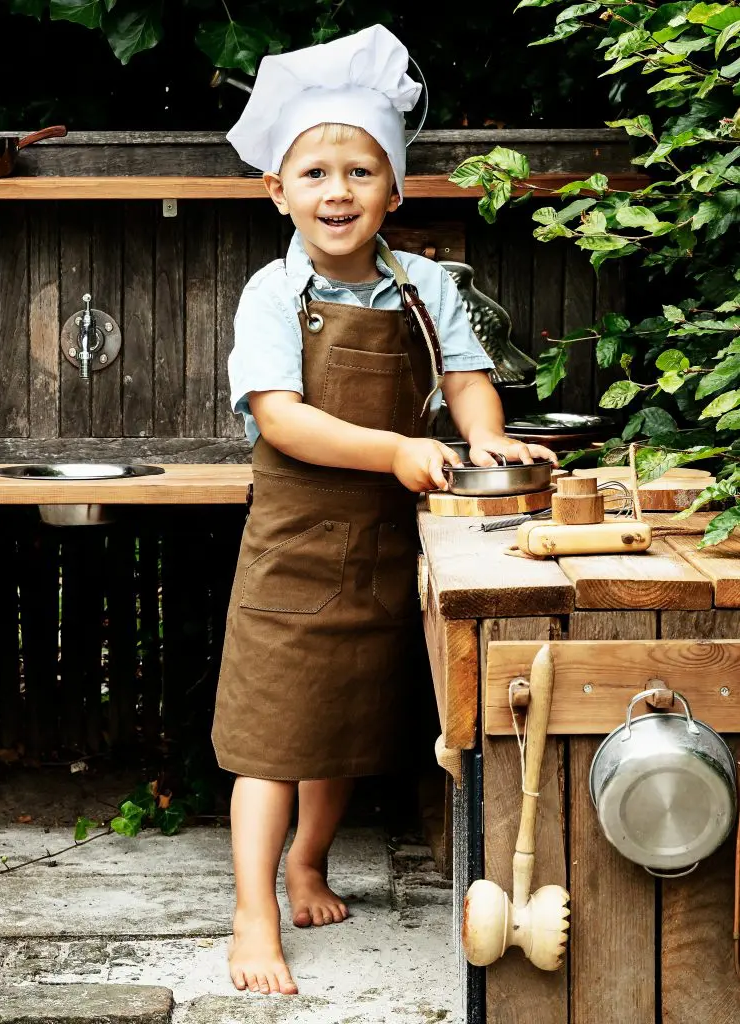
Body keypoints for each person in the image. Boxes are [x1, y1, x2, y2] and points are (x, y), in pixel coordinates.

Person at [212, 23, 558, 997]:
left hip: (382, 541)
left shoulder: (425, 286)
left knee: (341, 729)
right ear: (277, 190)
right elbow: (282, 419)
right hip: (293, 544)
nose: (336, 190)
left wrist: (481, 435)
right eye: (313, 171)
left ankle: (307, 863)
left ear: (393, 188)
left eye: (360, 171)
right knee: (273, 739)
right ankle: (252, 911)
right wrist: (400, 449)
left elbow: (466, 377)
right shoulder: (271, 295)